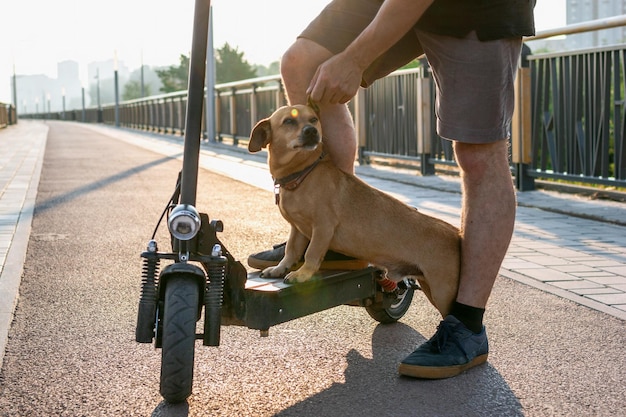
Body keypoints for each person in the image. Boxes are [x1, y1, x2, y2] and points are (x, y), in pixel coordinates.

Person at [248, 0, 536, 379]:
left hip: (477, 8)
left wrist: (354, 59)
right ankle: (331, 230)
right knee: (303, 63)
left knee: (478, 151)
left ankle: (466, 325)